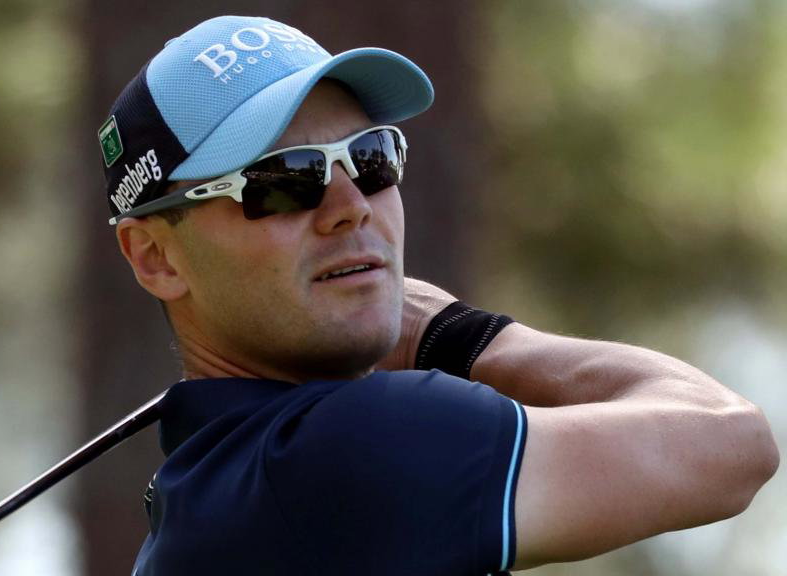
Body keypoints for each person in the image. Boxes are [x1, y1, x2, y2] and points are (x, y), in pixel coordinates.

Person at [99, 15, 779, 576]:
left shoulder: (205, 495)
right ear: (155, 256)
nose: (351, 207)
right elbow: (727, 441)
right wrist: (457, 333)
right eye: (284, 179)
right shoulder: (343, 449)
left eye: (371, 159)